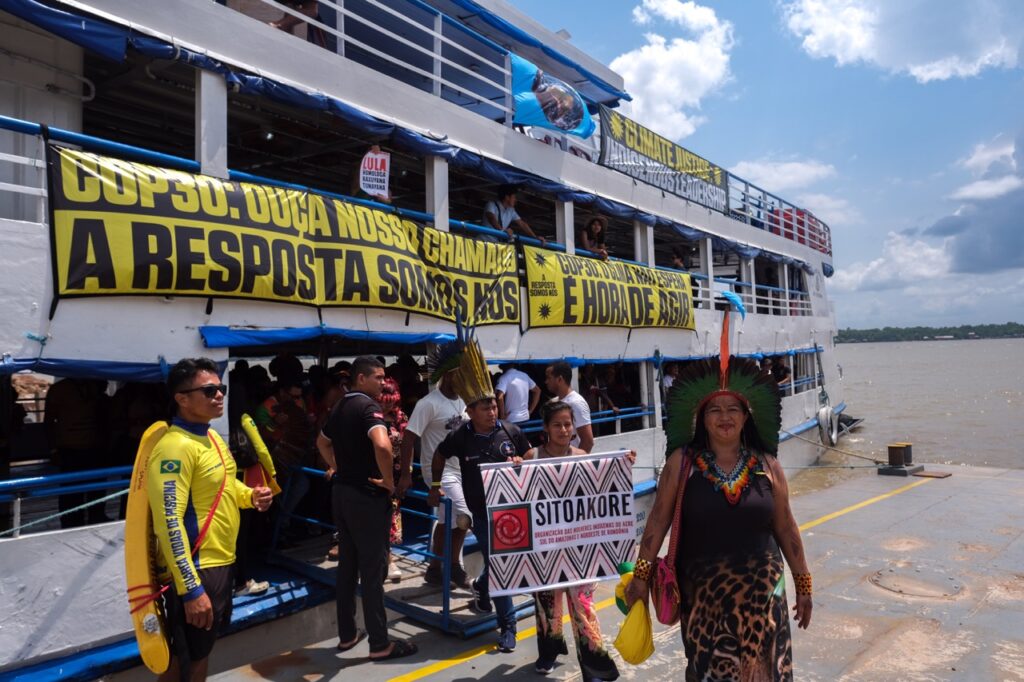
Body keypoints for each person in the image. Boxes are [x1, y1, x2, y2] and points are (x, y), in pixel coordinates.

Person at [625, 306, 812, 680]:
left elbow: (786, 528)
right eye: (715, 410)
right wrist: (640, 578)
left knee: (767, 674)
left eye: (732, 409)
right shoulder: (682, 462)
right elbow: (657, 524)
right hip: (704, 599)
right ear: (702, 418)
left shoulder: (768, 464)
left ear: (745, 417)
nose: (724, 417)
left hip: (765, 596)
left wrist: (803, 583)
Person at [149, 358, 273, 682]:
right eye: (209, 390)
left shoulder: (213, 438)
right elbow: (169, 522)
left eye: (221, 388)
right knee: (188, 662)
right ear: (182, 398)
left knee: (196, 655)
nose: (219, 395)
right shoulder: (174, 448)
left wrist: (250, 496)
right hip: (198, 567)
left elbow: (225, 485)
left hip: (221, 562)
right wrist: (190, 589)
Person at [426, 332, 532, 653]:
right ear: (470, 411)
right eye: (485, 408)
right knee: (500, 565)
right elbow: (439, 455)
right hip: (482, 514)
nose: (492, 412)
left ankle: (483, 587)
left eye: (493, 406)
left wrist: (521, 462)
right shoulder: (461, 436)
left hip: (512, 511)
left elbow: (530, 456)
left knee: (505, 563)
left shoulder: (510, 431)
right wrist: (435, 486)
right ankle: (508, 626)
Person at [317, 356, 418, 661]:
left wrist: (339, 467)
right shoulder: (368, 407)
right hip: (367, 497)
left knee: (347, 567)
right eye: (378, 377)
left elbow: (321, 442)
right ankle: (380, 643)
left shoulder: (340, 406)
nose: (383, 383)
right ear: (361, 379)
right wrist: (388, 481)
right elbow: (383, 445)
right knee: (374, 571)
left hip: (342, 494)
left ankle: (347, 635)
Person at [528, 401, 626, 680]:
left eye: (568, 424)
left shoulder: (582, 455)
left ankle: (595, 667)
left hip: (579, 549)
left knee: (583, 605)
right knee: (547, 606)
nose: (563, 430)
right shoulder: (532, 456)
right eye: (557, 424)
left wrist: (622, 464)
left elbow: (599, 493)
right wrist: (515, 468)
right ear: (546, 428)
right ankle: (549, 652)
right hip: (545, 548)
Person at [396, 371, 470, 587]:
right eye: (459, 375)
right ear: (447, 375)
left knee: (448, 520)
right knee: (464, 514)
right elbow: (408, 439)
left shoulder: (464, 401)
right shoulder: (428, 403)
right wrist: (406, 474)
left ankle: (434, 569)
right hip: (437, 470)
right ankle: (454, 566)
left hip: (460, 468)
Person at [44, 377, 110, 527]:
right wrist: (53, 450)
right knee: (71, 492)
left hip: (96, 448)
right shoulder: (59, 389)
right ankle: (70, 524)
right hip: (69, 449)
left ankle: (97, 518)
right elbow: (49, 421)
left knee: (97, 488)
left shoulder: (96, 384)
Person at [377, 378, 407, 582]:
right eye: (383, 401)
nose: (386, 406)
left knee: (390, 515)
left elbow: (406, 446)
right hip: (373, 472)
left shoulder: (400, 417)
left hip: (394, 474)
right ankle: (382, 560)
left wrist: (406, 472)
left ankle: (388, 558)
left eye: (390, 402)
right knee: (372, 518)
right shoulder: (369, 415)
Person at [544, 361, 593, 452]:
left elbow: (588, 441)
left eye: (549, 378)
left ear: (559, 379)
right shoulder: (555, 402)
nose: (546, 382)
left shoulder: (576, 403)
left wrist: (576, 460)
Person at [483, 184, 547, 245]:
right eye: (514, 197)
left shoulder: (511, 210)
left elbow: (522, 224)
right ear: (507, 197)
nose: (515, 200)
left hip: (496, 244)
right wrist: (502, 230)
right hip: (484, 242)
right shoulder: (491, 204)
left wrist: (535, 237)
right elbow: (491, 218)